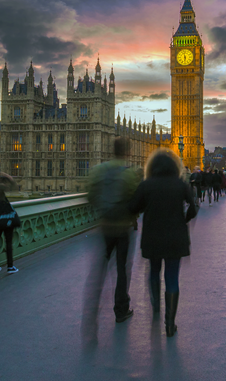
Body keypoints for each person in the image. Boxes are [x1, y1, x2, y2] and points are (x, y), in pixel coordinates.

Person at [129, 149, 197, 337]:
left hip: (153, 237)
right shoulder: (180, 184)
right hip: (176, 237)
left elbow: (133, 207)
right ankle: (169, 324)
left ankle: (156, 306)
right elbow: (193, 207)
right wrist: (184, 220)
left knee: (154, 271)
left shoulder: (147, 184)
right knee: (172, 278)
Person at [86, 137, 141, 323]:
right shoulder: (128, 173)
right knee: (122, 270)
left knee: (99, 269)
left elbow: (91, 194)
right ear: (127, 152)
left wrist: (103, 210)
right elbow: (136, 200)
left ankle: (91, 311)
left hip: (104, 227)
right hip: (123, 228)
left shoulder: (98, 170)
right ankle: (121, 310)